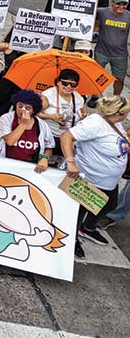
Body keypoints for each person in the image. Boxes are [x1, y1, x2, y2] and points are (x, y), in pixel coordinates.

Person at [60, 95, 130, 258]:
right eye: (126, 112)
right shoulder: (95, 123)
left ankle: (87, 229)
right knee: (79, 212)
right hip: (90, 179)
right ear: (118, 113)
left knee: (109, 204)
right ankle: (71, 240)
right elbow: (66, 137)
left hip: (108, 181)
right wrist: (70, 162)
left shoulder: (115, 122)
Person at [0, 90, 54, 174]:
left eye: (27, 108)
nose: (22, 110)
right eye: (20, 106)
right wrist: (23, 124)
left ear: (33, 110)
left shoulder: (42, 125)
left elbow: (49, 146)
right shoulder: (6, 118)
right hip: (5, 164)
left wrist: (45, 158)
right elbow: (10, 141)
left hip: (29, 168)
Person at [38, 69, 87, 161]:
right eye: (65, 83)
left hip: (68, 139)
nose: (69, 87)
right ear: (58, 82)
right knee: (44, 162)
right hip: (49, 137)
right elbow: (36, 112)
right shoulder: (48, 95)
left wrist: (83, 115)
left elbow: (83, 111)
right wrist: (51, 117)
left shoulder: (78, 97)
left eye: (73, 84)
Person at [94, 0, 130, 96]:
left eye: (124, 4)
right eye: (118, 4)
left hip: (120, 54)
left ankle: (116, 99)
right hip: (101, 51)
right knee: (98, 76)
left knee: (120, 78)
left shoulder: (128, 16)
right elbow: (87, 11)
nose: (121, 7)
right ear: (112, 3)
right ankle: (95, 95)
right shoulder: (102, 12)